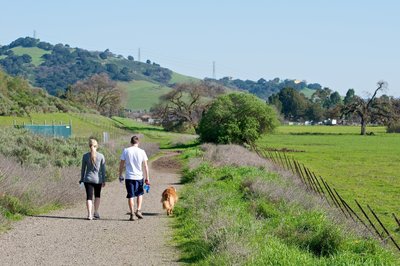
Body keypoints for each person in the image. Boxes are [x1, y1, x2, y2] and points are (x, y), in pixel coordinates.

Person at [119, 135, 150, 221]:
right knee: (140, 194)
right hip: (139, 176)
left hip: (129, 177)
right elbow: (145, 166)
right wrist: (147, 177)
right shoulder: (142, 151)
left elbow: (121, 164)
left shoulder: (126, 151)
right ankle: (138, 210)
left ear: (131, 142)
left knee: (130, 195)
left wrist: (120, 174)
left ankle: (132, 213)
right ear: (138, 142)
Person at [80, 138, 106, 220]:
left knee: (89, 197)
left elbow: (83, 169)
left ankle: (89, 215)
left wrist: (81, 179)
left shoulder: (85, 156)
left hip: (87, 179)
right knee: (97, 196)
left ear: (89, 146)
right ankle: (96, 212)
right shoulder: (101, 156)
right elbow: (103, 169)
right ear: (97, 146)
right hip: (98, 179)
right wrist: (104, 180)